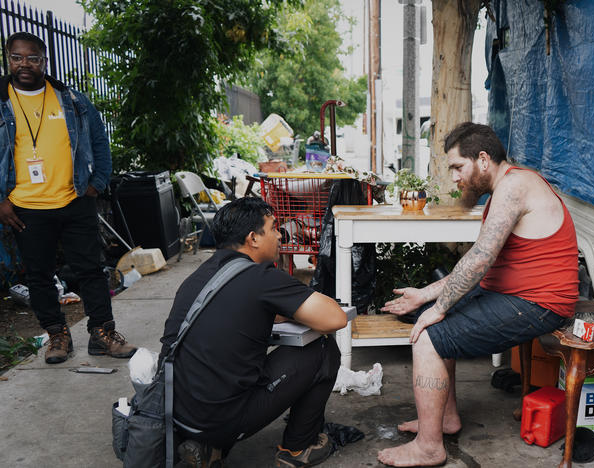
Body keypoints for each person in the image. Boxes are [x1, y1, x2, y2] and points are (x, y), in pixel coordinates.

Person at [377, 122, 579, 467]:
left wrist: (438, 308)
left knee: (429, 336)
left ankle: (429, 447)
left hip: (540, 304)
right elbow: (476, 265)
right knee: (433, 316)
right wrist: (424, 295)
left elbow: (480, 258)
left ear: (483, 159)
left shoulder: (514, 186)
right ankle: (445, 419)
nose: (455, 177)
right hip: (516, 295)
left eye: (458, 166)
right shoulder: (507, 187)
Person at [159, 197, 347, 467]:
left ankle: (207, 446)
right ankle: (298, 448)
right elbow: (335, 318)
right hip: (222, 419)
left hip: (177, 413)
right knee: (323, 349)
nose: (279, 235)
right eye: (273, 228)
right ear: (253, 238)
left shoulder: (200, 275)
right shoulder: (261, 278)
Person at [0, 32, 136, 364]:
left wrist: (97, 182)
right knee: (39, 275)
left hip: (74, 199)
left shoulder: (72, 99)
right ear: (8, 59)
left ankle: (102, 333)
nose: (25, 64)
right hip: (26, 208)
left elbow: (100, 142)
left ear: (45, 61)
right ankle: (57, 335)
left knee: (91, 269)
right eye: (17, 57)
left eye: (33, 58)